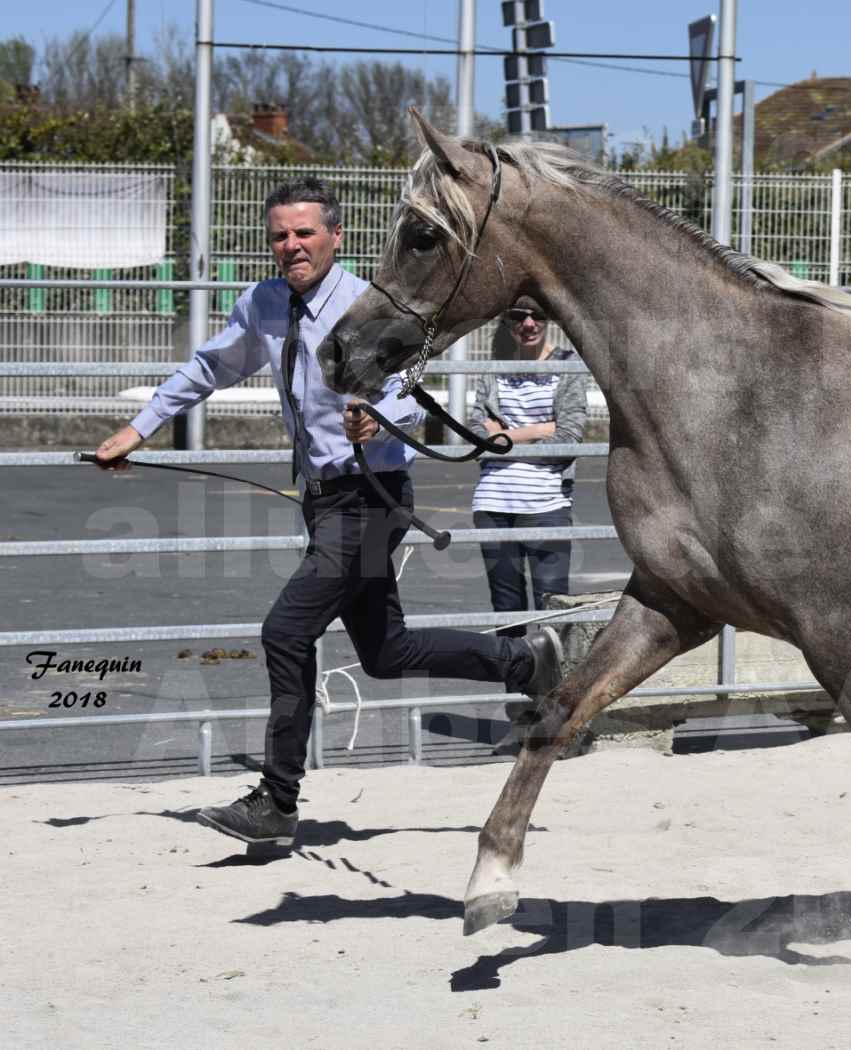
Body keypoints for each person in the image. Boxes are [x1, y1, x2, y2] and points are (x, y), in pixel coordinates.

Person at [92, 177, 560, 848]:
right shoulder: (263, 304)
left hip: (372, 496)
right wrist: (141, 427)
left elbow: (407, 391)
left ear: (335, 237)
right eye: (280, 234)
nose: (291, 245)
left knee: (285, 631)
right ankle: (526, 664)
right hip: (321, 499)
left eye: (304, 232)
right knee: (386, 652)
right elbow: (210, 368)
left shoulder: (369, 304)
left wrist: (378, 415)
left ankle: (276, 800)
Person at [469, 296, 588, 630]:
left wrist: (507, 436)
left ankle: (554, 684)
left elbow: (567, 441)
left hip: (547, 505)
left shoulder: (567, 366)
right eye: (519, 317)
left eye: (537, 315)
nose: (529, 324)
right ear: (507, 322)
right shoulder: (496, 370)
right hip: (493, 503)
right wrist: (538, 430)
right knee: (506, 610)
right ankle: (517, 683)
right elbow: (477, 436)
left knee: (552, 610)